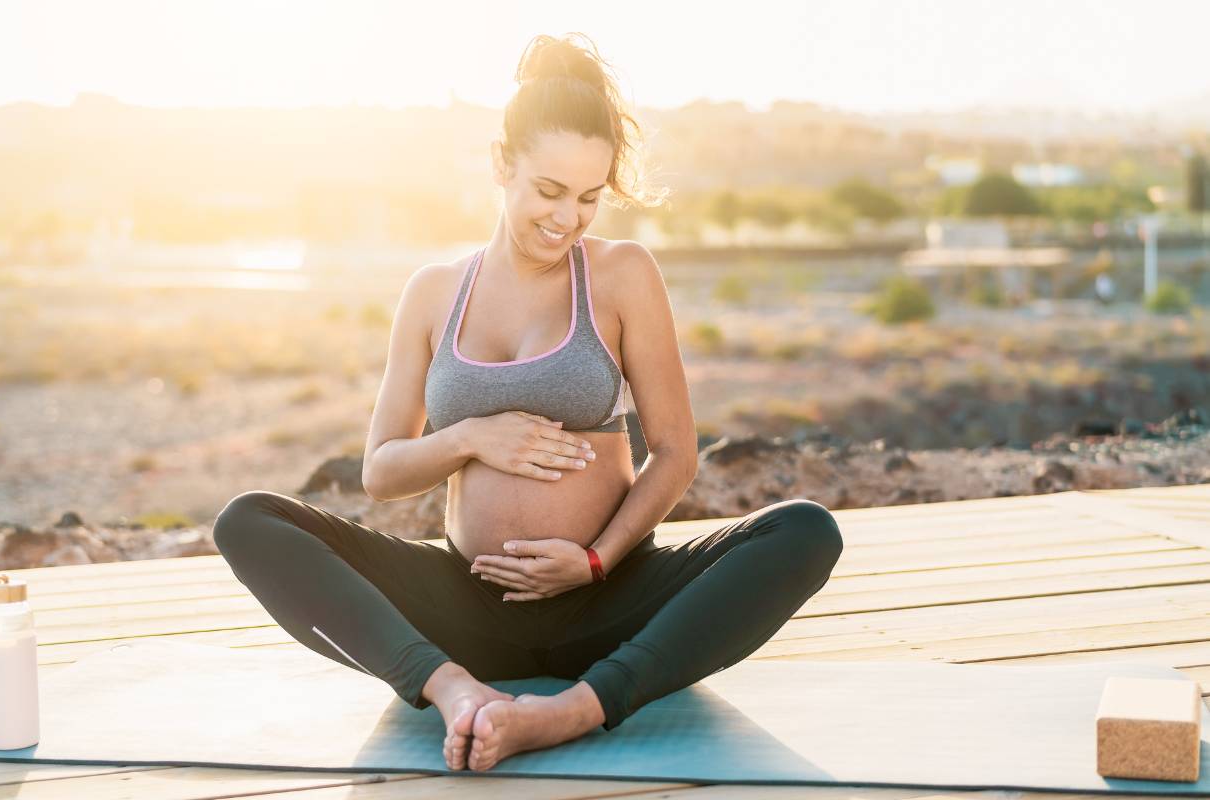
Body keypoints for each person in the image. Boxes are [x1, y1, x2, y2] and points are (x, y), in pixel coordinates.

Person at [212, 32, 843, 773]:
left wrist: (596, 561)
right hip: (464, 610)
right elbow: (380, 473)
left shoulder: (621, 276)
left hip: (611, 603)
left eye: (587, 198)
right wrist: (470, 437)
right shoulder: (432, 293)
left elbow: (675, 452)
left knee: (805, 533)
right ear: (501, 165)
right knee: (248, 521)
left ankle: (575, 710)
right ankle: (454, 694)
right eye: (548, 191)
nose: (567, 217)